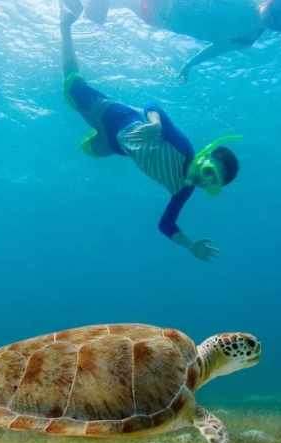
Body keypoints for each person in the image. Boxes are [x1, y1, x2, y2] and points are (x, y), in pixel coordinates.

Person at [59, 2, 241, 261]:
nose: (205, 181)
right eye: (210, 173)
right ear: (204, 158)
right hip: (119, 118)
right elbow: (151, 106)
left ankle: (91, 127)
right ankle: (66, 23)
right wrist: (155, 125)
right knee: (71, 88)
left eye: (213, 184)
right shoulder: (183, 147)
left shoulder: (183, 191)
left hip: (117, 146)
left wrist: (190, 246)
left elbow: (166, 224)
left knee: (86, 150)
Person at [72, 0, 281, 83]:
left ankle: (84, 11)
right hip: (167, 7)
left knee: (122, 4)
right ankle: (85, 10)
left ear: (278, 28)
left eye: (278, 19)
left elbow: (215, 51)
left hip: (162, 18)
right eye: (276, 9)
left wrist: (189, 64)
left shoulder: (247, 39)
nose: (272, 16)